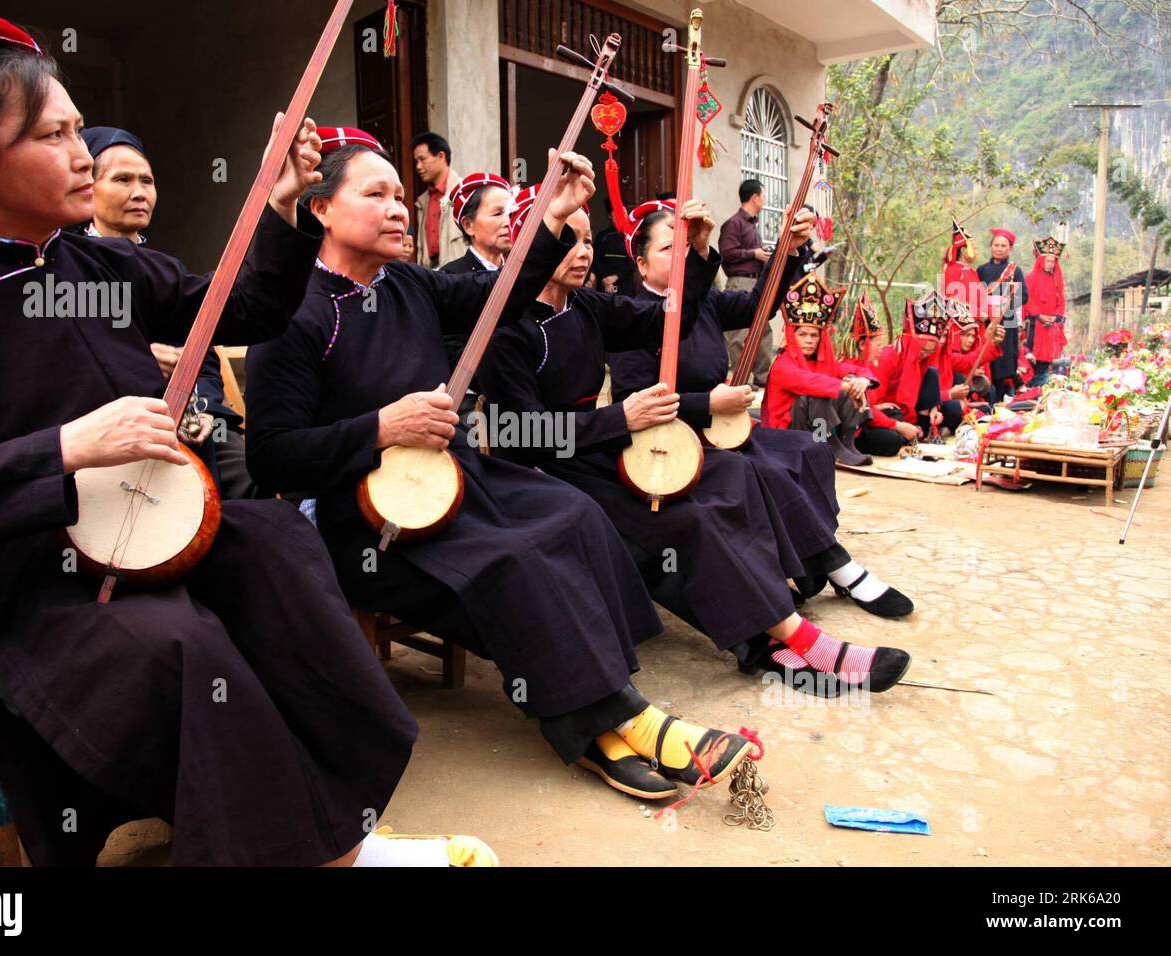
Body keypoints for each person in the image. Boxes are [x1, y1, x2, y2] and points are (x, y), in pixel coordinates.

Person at [0, 15, 493, 867]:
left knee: (278, 548)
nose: (82, 153)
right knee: (186, 649)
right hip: (35, 577)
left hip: (167, 527)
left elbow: (237, 313)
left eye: (74, 127)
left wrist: (281, 210)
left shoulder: (104, 265)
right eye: (52, 135)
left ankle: (334, 836)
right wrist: (64, 448)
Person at [246, 129, 751, 802]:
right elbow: (270, 455)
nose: (399, 209)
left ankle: (607, 709)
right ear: (320, 210)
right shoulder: (292, 311)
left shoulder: (408, 284)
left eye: (401, 195)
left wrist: (547, 213)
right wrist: (379, 427)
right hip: (365, 515)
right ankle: (618, 727)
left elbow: (501, 298)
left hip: (452, 480)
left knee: (569, 513)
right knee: (511, 557)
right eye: (376, 194)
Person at [476, 189, 912, 700]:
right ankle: (785, 644)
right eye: (566, 240)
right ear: (527, 248)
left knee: (727, 474)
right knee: (688, 518)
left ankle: (773, 614)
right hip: (546, 472)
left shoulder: (586, 305)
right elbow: (517, 436)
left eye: (589, 240)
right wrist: (621, 416)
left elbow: (670, 320)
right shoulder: (504, 329)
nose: (583, 252)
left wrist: (699, 254)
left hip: (596, 443)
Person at [609, 199, 914, 621]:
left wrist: (788, 249)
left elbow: (759, 305)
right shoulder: (630, 315)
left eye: (684, 245)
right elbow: (631, 395)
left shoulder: (704, 301)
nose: (680, 255)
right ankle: (836, 565)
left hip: (723, 424)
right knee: (762, 469)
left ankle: (808, 562)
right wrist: (708, 403)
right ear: (641, 265)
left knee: (808, 449)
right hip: (672, 436)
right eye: (667, 248)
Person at [79, 125, 254, 498]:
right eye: (122, 179)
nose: (139, 193)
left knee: (247, 475)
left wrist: (204, 410)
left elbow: (202, 351)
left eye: (147, 180)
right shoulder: (66, 267)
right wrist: (138, 362)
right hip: (104, 431)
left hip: (189, 424)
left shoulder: (166, 268)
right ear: (87, 188)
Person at [764, 273, 881, 466]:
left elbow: (855, 370)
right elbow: (808, 382)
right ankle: (827, 445)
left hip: (810, 424)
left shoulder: (823, 362)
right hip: (784, 431)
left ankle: (846, 443)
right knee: (819, 392)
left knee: (850, 381)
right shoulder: (782, 364)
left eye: (814, 335)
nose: (809, 340)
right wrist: (847, 386)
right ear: (793, 336)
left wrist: (862, 382)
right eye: (803, 334)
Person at [859, 292, 964, 454]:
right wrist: (897, 423)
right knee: (890, 440)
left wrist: (933, 409)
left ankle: (918, 429)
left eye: (929, 352)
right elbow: (870, 407)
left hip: (907, 412)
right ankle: (912, 431)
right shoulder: (887, 357)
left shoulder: (924, 362)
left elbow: (925, 390)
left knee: (934, 377)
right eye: (921, 350)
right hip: (885, 412)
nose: (924, 355)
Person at [439, 172, 512, 378]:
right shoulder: (451, 277)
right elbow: (450, 347)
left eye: (511, 213)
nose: (508, 222)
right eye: (497, 213)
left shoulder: (520, 274)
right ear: (468, 225)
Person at [718, 178, 775, 382]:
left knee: (763, 329)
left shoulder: (752, 224)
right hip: (739, 282)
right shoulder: (733, 224)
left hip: (756, 281)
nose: (765, 200)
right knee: (739, 333)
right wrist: (754, 254)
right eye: (763, 196)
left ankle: (762, 376)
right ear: (755, 197)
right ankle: (744, 378)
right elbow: (727, 253)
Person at [977, 227, 1029, 396]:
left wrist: (1005, 303)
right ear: (991, 247)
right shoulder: (981, 270)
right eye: (996, 245)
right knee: (987, 362)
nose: (999, 249)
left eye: (1003, 246)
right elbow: (975, 295)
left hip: (1007, 323)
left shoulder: (1015, 271)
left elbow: (1024, 296)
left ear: (1010, 249)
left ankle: (1000, 401)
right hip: (986, 322)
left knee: (1003, 364)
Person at [411, 131, 464, 268]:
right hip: (432, 275)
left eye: (422, 159)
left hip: (460, 274)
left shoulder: (463, 193)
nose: (418, 166)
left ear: (441, 156)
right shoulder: (423, 201)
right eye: (416, 161)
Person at [1023, 234, 1068, 386]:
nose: (1050, 264)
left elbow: (1061, 301)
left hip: (1050, 326)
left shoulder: (1057, 281)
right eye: (1048, 261)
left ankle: (1039, 387)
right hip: (1035, 325)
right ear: (1041, 260)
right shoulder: (1031, 278)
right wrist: (1040, 315)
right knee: (1032, 360)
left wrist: (1054, 317)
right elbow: (1027, 299)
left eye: (1053, 261)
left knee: (1045, 363)